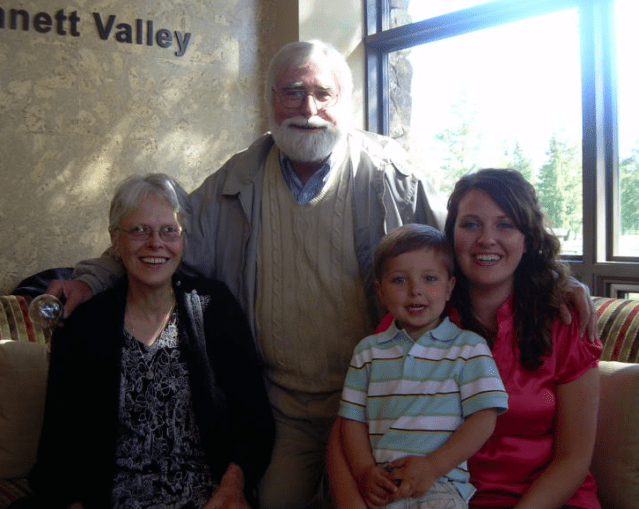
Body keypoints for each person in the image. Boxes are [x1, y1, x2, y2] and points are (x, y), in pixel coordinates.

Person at [44, 42, 595, 509]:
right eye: (292, 92)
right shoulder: (235, 182)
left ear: (344, 103)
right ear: (270, 101)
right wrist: (91, 279)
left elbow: (471, 242)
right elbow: (159, 236)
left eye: (323, 94)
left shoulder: (390, 176)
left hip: (386, 400)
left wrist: (552, 279)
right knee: (275, 500)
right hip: (283, 404)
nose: (307, 107)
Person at [328, 169, 603, 509]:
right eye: (471, 224)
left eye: (505, 225)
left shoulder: (564, 321)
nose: (487, 239)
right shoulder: (415, 314)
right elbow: (348, 428)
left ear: (528, 239)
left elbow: (573, 459)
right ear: (452, 235)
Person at [21, 174, 274, 509]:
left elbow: (254, 417)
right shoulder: (84, 325)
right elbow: (59, 441)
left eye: (169, 230)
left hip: (207, 499)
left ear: (183, 239)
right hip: (112, 500)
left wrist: (233, 487)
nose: (156, 243)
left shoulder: (215, 308)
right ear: (115, 240)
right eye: (139, 230)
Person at [338, 224, 508, 509]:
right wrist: (364, 471)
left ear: (449, 287)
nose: (415, 291)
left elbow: (484, 418)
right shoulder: (367, 352)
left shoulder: (469, 348)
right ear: (380, 292)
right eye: (399, 280)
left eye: (429, 278)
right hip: (383, 487)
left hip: (440, 485)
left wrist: (433, 466)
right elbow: (352, 421)